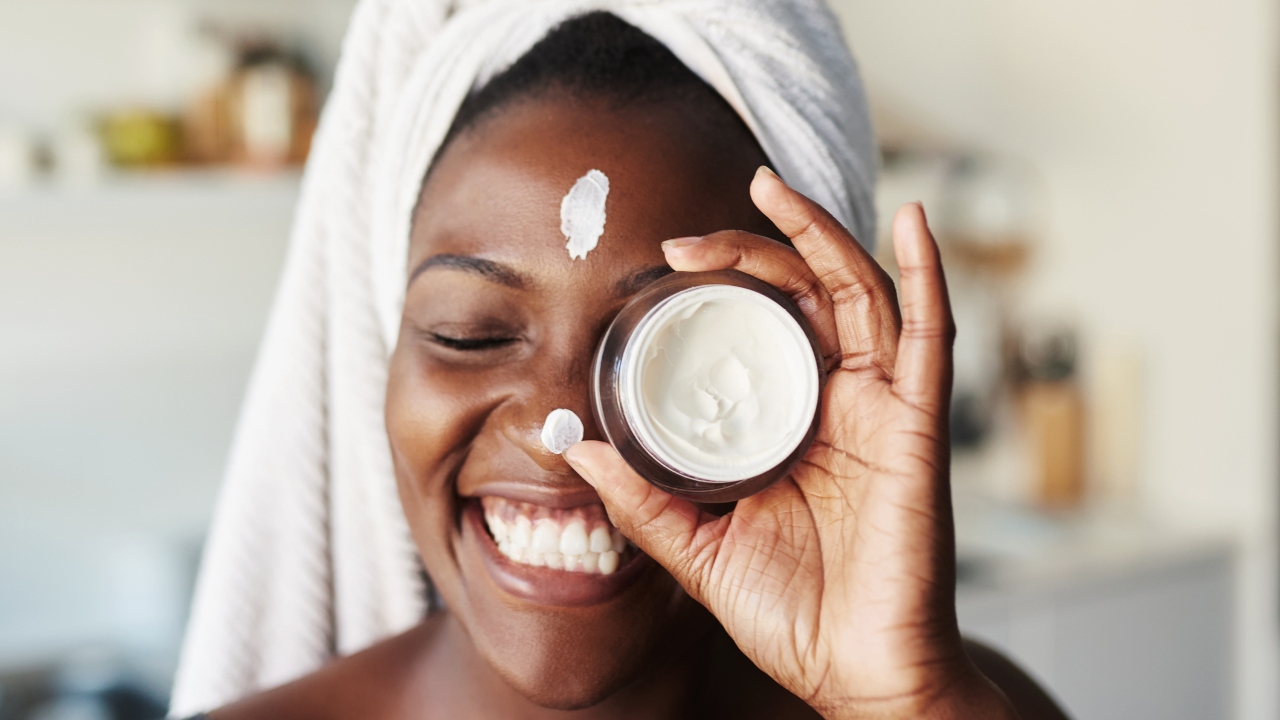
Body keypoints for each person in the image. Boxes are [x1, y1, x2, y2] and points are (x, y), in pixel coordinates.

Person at [173, 6, 1070, 720]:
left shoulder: (962, 707)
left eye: (666, 343)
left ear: (818, 370)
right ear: (384, 347)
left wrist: (902, 708)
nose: (564, 433)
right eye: (469, 333)